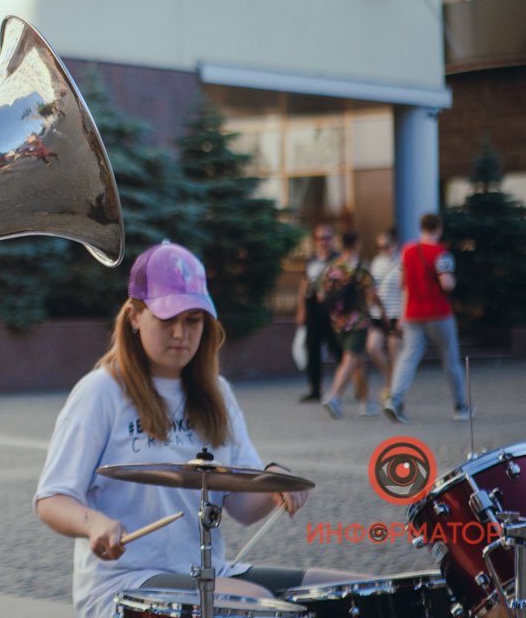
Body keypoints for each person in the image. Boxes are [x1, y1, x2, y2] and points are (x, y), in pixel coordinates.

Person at [34, 241, 354, 618]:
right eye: (167, 319)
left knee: (343, 593)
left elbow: (242, 506)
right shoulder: (101, 392)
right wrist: (94, 525)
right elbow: (52, 498)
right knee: (253, 602)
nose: (181, 333)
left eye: (193, 320)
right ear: (135, 316)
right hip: (123, 584)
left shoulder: (217, 393)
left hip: (210, 574)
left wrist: (274, 482)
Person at [383, 213, 470, 423]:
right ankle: (460, 406)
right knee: (450, 360)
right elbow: (446, 284)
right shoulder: (442, 254)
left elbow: (402, 282)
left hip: (413, 314)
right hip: (439, 313)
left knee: (408, 357)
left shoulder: (407, 251)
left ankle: (395, 398)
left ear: (420, 228)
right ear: (438, 228)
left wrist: (403, 314)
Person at [319, 231, 389, 419]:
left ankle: (366, 402)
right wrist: (383, 312)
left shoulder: (332, 267)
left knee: (358, 361)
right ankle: (334, 397)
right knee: (350, 359)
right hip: (357, 321)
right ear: (357, 243)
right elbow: (373, 295)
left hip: (336, 322)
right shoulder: (360, 267)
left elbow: (321, 295)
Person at [294, 224, 342, 402]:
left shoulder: (338, 260)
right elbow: (304, 286)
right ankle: (315, 390)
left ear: (332, 239)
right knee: (312, 349)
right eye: (320, 238)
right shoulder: (312, 260)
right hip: (312, 311)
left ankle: (352, 383)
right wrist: (301, 309)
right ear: (315, 241)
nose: (324, 241)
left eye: (327, 237)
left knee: (339, 350)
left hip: (331, 312)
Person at [367, 227, 402, 403]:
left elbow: (407, 290)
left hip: (397, 313)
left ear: (394, 244)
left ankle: (393, 394)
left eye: (386, 245)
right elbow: (372, 287)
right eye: (379, 247)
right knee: (373, 347)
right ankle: (389, 378)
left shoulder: (402, 261)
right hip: (378, 314)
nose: (383, 250)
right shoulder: (376, 262)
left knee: (395, 354)